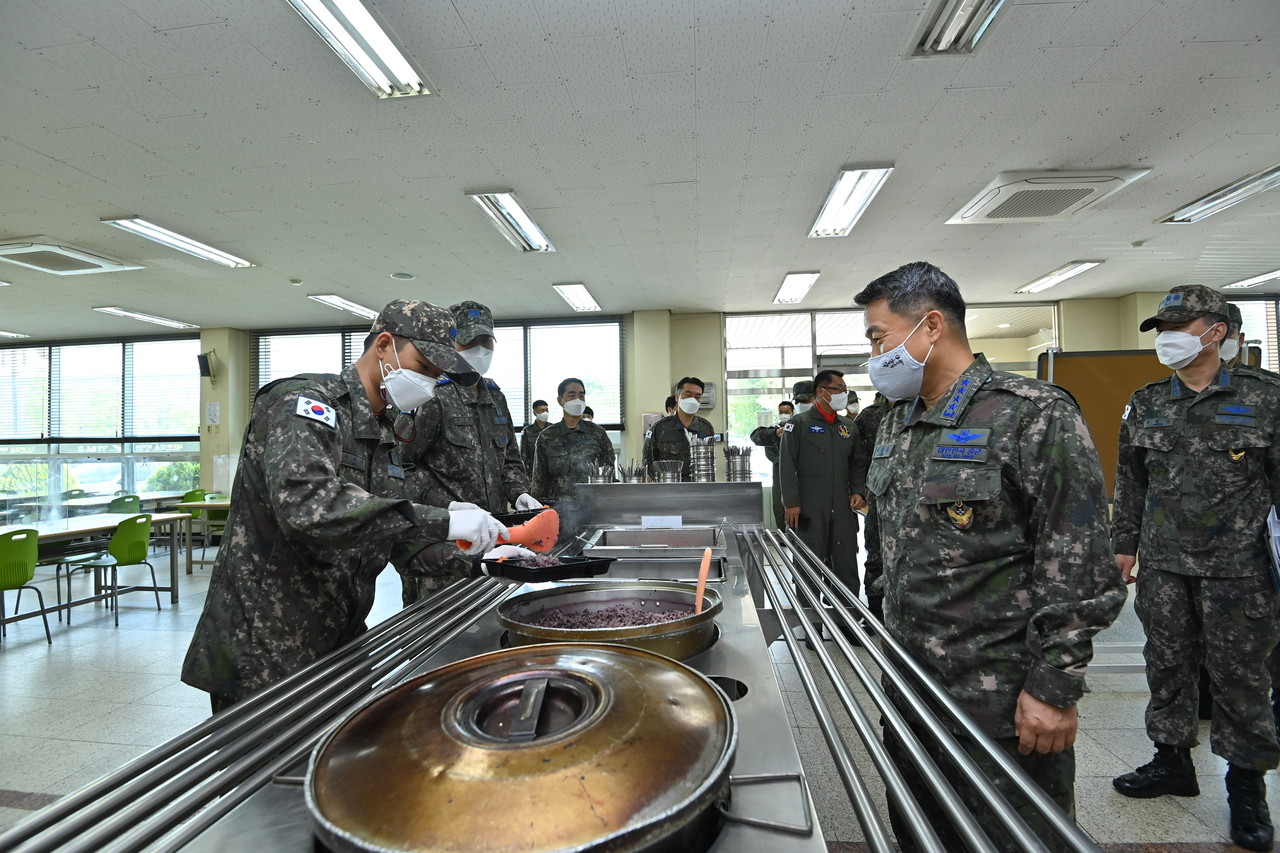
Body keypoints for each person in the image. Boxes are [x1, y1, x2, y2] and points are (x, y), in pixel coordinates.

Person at [854, 261, 1124, 852]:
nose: (873, 355)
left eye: (878, 339)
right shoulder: (896, 423)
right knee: (923, 833)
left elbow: (1078, 561)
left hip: (999, 697)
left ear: (930, 327)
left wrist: (1055, 685)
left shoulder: (1032, 412)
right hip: (909, 685)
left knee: (1015, 838)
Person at [181, 300, 509, 712]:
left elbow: (392, 538)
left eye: (437, 375)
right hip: (267, 646)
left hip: (340, 637)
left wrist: (487, 557)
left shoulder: (385, 434)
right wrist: (444, 521)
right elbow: (311, 508)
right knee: (270, 772)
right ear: (384, 345)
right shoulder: (303, 404)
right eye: (424, 366)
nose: (429, 383)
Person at [1111, 285, 1280, 852]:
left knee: (1241, 676)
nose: (1168, 338)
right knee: (1167, 664)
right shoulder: (1147, 400)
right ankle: (1171, 761)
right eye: (1164, 327)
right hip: (1163, 564)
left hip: (1240, 568)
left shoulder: (1265, 397)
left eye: (1180, 326)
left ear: (1217, 330)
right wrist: (1123, 545)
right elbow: (1131, 480)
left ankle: (1246, 790)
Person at [399, 301, 541, 604]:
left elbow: (510, 460)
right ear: (451, 343)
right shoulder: (430, 395)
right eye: (469, 341)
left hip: (494, 538)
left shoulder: (495, 396)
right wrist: (449, 505)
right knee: (439, 637)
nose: (479, 349)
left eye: (485, 341)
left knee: (488, 628)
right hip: (445, 544)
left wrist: (519, 493)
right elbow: (401, 466)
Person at [778, 372, 866, 606]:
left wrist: (858, 491)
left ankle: (847, 621)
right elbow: (786, 465)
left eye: (844, 389)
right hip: (808, 506)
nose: (843, 394)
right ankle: (812, 626)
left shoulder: (848, 427)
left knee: (846, 563)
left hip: (843, 506)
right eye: (838, 389)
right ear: (821, 392)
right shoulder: (797, 424)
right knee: (809, 564)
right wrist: (791, 503)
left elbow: (858, 462)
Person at [532, 378, 616, 500]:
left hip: (592, 505)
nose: (577, 399)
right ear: (560, 400)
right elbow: (539, 482)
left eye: (581, 396)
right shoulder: (547, 436)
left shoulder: (598, 434)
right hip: (558, 507)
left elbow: (609, 475)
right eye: (571, 395)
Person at [853, 391, 892, 623]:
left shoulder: (928, 409)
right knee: (876, 556)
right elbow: (855, 455)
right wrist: (859, 489)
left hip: (918, 501)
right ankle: (875, 614)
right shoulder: (871, 416)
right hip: (878, 497)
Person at [643, 377, 715, 481]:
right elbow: (647, 461)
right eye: (688, 395)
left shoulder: (706, 428)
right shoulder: (659, 427)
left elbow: (710, 462)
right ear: (677, 397)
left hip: (698, 489)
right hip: (668, 490)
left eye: (697, 396)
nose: (693, 400)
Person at [750, 398, 795, 528]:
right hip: (779, 473)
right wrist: (776, 434)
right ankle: (783, 535)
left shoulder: (799, 427)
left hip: (799, 475)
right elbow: (756, 436)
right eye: (781, 412)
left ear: (792, 412)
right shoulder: (775, 430)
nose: (784, 414)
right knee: (779, 505)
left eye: (787, 411)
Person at [519, 399, 551, 473]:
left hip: (551, 472)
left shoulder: (553, 429)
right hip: (533, 473)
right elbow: (523, 457)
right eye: (542, 410)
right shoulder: (527, 431)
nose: (545, 413)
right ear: (534, 413)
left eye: (547, 410)